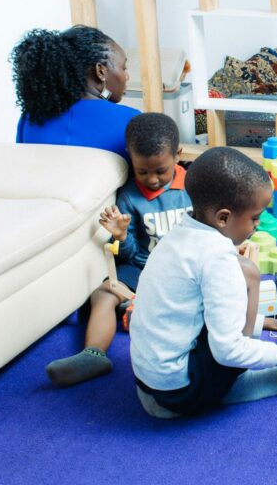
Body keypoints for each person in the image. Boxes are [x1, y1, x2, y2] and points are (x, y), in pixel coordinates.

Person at [131, 148, 277, 418]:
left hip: (152, 378)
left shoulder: (179, 234)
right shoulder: (217, 259)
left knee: (242, 269)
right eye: (255, 217)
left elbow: (200, 311)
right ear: (223, 218)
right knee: (249, 272)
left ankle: (183, 390)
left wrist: (273, 324)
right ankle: (233, 384)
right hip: (180, 392)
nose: (258, 225)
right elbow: (228, 349)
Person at [45, 113, 193, 386]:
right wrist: (121, 235)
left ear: (178, 155)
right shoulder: (128, 197)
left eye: (161, 170)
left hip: (188, 269)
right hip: (143, 267)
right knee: (103, 292)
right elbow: (129, 254)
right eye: (142, 171)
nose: (152, 179)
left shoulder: (193, 187)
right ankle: (94, 353)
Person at [11, 25, 139, 160]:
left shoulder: (30, 120)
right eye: (123, 67)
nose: (126, 76)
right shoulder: (132, 122)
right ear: (101, 71)